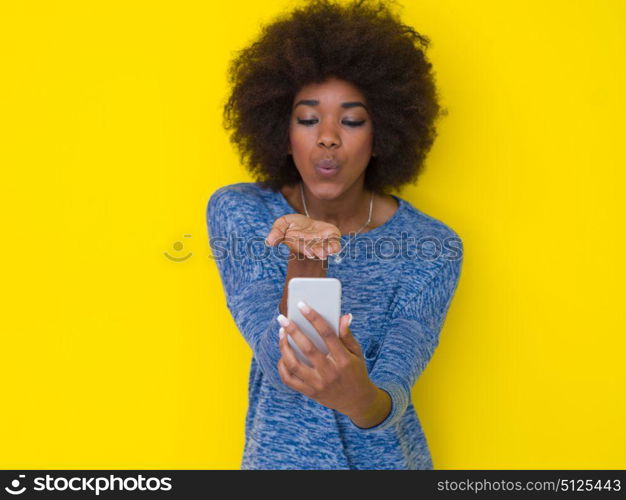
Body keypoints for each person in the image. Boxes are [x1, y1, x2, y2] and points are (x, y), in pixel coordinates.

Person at [206, 0, 463, 470]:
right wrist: (307, 253)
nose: (327, 136)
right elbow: (277, 361)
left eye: (351, 120)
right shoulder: (240, 212)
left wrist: (358, 396)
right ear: (282, 133)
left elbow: (393, 390)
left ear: (381, 132)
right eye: (308, 119)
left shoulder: (434, 247)